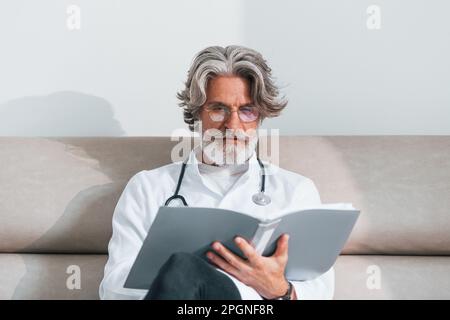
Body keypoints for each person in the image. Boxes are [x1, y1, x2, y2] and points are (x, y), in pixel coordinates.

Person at [99, 45, 334, 300]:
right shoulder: (147, 188)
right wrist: (180, 281)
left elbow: (320, 291)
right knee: (182, 267)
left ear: (259, 117)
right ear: (197, 113)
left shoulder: (295, 190)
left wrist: (279, 289)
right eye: (218, 108)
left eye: (247, 110)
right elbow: (113, 287)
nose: (232, 125)